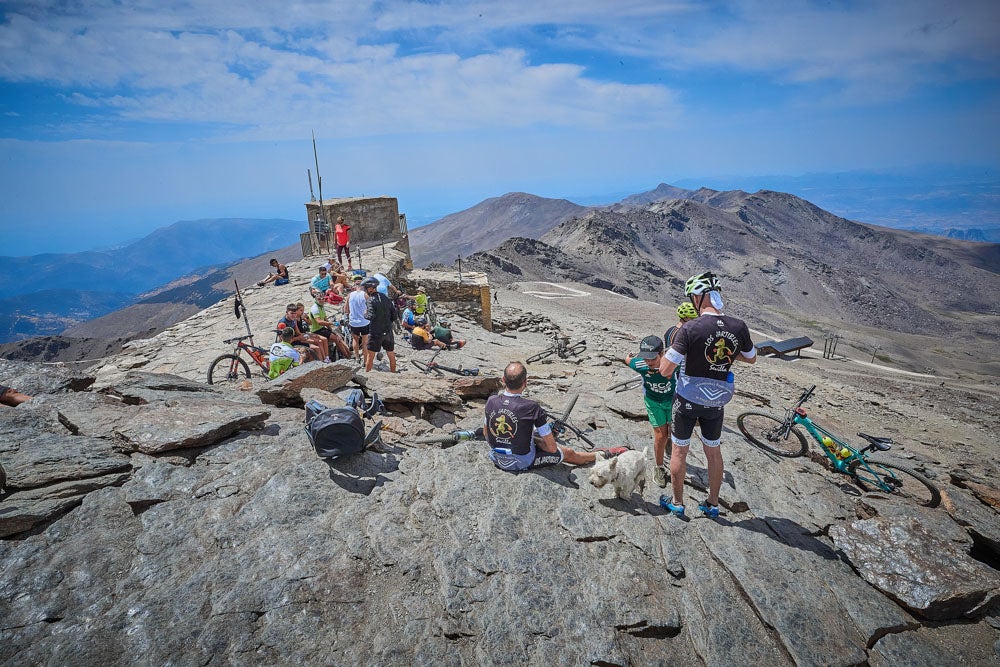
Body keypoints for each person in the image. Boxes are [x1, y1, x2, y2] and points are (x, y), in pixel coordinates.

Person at [657, 271, 756, 518]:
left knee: (680, 450)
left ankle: (678, 503)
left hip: (688, 399)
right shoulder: (739, 326)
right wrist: (727, 354)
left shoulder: (691, 328)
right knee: (713, 451)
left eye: (692, 296)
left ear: (699, 297)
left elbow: (666, 370)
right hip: (716, 402)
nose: (692, 301)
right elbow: (752, 358)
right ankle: (712, 504)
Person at [484, 362, 626, 472]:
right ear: (525, 383)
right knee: (568, 452)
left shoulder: (491, 401)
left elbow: (486, 433)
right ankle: (602, 455)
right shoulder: (532, 407)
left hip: (496, 457)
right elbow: (552, 449)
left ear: (503, 379)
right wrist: (539, 442)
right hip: (521, 462)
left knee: (532, 435)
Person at [626, 336, 676, 488]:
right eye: (645, 358)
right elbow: (628, 360)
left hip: (672, 401)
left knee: (673, 434)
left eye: (652, 359)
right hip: (653, 403)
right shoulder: (639, 364)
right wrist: (630, 356)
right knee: (661, 436)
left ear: (662, 354)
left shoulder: (674, 363)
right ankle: (659, 467)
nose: (648, 362)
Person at [362, 276, 398, 372]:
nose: (365, 290)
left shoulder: (370, 300)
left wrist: (365, 314)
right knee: (391, 354)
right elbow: (394, 316)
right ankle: (394, 374)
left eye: (365, 288)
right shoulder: (386, 298)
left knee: (370, 356)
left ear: (370, 288)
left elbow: (370, 316)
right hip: (388, 331)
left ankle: (367, 376)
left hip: (375, 333)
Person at [307, 295, 352, 360]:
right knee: (336, 339)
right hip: (316, 330)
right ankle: (348, 356)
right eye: (319, 299)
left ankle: (349, 353)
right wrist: (332, 323)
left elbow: (325, 319)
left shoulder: (321, 307)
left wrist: (331, 330)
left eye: (323, 299)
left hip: (321, 328)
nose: (321, 300)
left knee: (339, 337)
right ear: (316, 300)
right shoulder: (315, 308)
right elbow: (319, 321)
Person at [344, 277, 370, 362]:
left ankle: (357, 357)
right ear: (363, 286)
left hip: (354, 322)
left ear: (355, 286)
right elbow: (370, 308)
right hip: (364, 322)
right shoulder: (365, 295)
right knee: (365, 341)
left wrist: (347, 318)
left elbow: (346, 310)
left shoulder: (349, 295)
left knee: (355, 339)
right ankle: (365, 360)